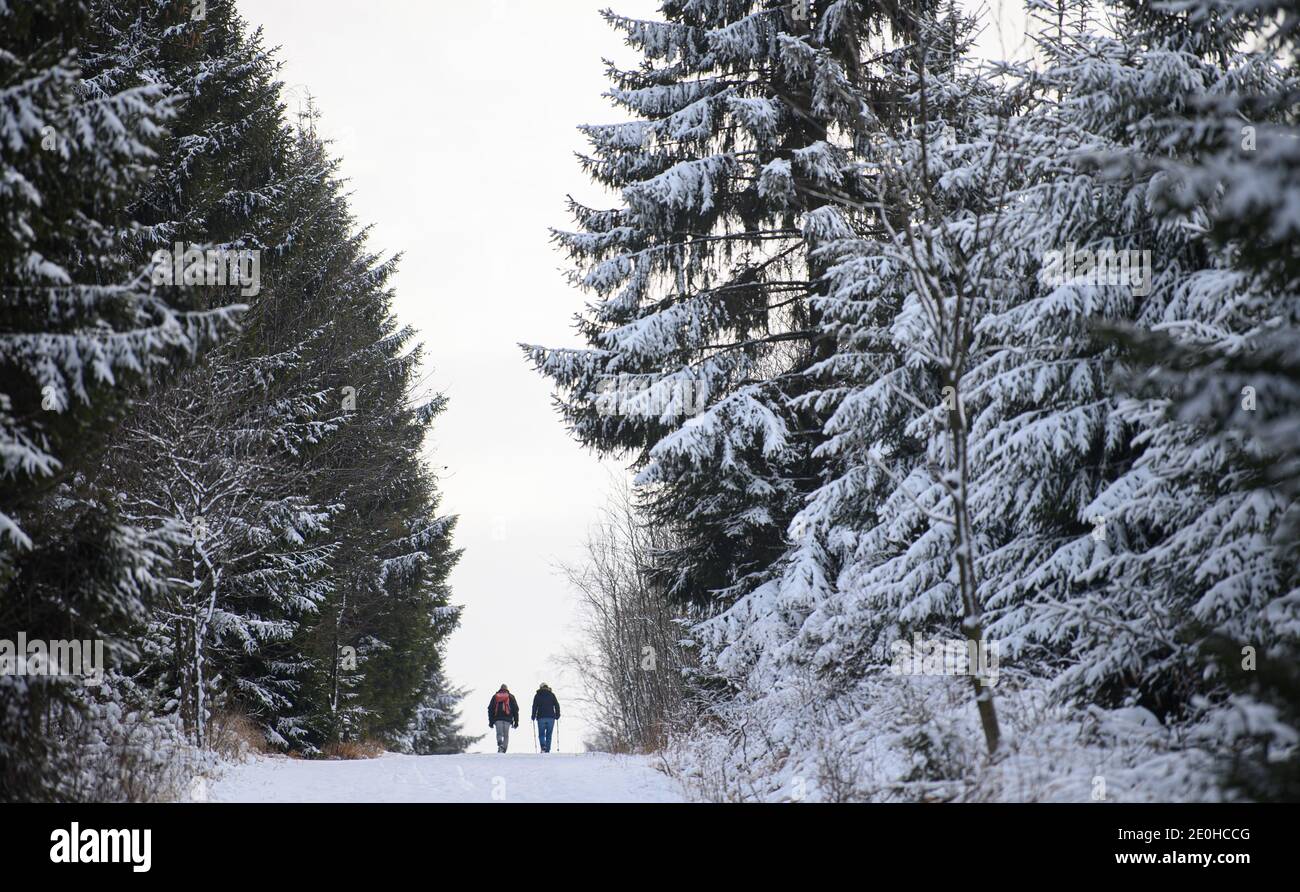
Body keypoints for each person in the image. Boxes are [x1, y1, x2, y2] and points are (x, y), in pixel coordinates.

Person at [487, 684, 519, 753]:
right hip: (508, 719)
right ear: (507, 689)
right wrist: (516, 722)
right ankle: (504, 749)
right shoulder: (511, 697)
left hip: (497, 719)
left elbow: (490, 709)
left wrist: (491, 721)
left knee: (499, 733)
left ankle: (500, 744)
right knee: (506, 735)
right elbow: (515, 709)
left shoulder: (495, 696)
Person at [531, 683, 561, 753]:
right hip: (551, 718)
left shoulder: (537, 695)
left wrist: (533, 715)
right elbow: (557, 705)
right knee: (549, 734)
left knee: (541, 734)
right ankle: (547, 749)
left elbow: (534, 706)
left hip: (541, 717)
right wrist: (557, 714)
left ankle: (543, 746)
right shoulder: (552, 695)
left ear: (540, 687)